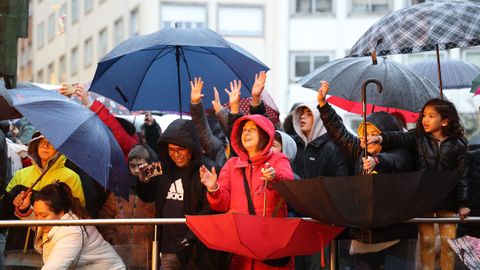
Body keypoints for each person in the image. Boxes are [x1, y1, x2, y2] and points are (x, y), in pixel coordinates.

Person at [317, 80, 416, 269]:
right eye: (364, 133)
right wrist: (323, 105)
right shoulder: (359, 151)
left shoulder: (400, 153)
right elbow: (340, 133)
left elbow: (394, 161)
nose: (366, 138)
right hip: (364, 237)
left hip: (395, 238)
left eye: (373, 133)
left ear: (385, 134)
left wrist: (376, 161)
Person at [368, 98, 471, 270]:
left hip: (448, 198)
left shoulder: (458, 145)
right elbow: (399, 136)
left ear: (445, 121)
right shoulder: (418, 138)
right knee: (427, 241)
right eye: (424, 115)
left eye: (431, 116)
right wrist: (380, 138)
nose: (425, 119)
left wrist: (464, 204)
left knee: (449, 244)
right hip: (424, 198)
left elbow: (464, 176)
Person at [200, 114, 295, 270]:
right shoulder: (232, 164)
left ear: (265, 134)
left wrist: (274, 177)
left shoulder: (278, 159)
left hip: (269, 245)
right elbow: (221, 205)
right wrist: (213, 188)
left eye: (252, 130)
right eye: (244, 130)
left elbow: (288, 184)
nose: (246, 133)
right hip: (240, 246)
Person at [136, 118, 227, 270]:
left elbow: (210, 209)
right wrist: (142, 180)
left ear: (191, 148)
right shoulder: (160, 167)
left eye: (180, 149)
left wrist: (190, 237)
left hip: (197, 251)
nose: (175, 154)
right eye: (171, 149)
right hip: (167, 248)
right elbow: (147, 196)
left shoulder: (208, 170)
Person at [291, 97, 349, 270]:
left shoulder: (333, 148)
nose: (302, 117)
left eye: (309, 114)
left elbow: (341, 186)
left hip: (323, 225)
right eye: (301, 114)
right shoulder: (295, 145)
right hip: (298, 221)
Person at [13, 182, 125, 270]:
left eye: (43, 215)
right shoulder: (54, 221)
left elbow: (55, 267)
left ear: (61, 212)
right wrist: (25, 208)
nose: (38, 220)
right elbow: (39, 222)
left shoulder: (71, 231)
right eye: (36, 214)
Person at [5, 132, 85, 251]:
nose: (45, 146)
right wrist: (16, 202)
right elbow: (6, 204)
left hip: (52, 246)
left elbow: (78, 212)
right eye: (41, 142)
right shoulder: (22, 174)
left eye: (51, 143)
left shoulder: (71, 177)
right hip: (16, 244)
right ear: (35, 146)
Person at [97, 144, 156, 269]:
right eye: (132, 166)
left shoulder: (156, 190)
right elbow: (104, 219)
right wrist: (113, 241)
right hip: (119, 252)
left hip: (147, 255)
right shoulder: (119, 189)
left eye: (140, 166)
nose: (136, 170)